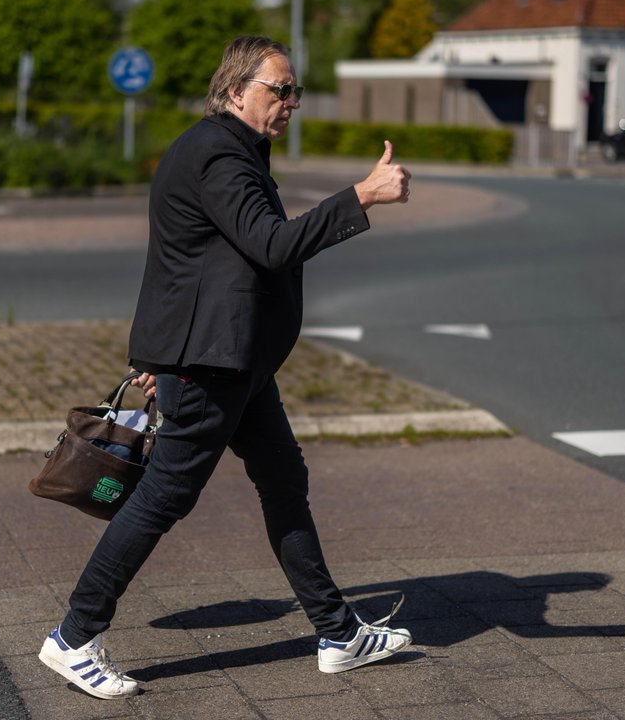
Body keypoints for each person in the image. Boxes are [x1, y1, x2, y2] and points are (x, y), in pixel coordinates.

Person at [39, 35, 414, 698]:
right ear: (237, 91)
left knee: (283, 480)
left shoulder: (228, 149)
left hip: (235, 359)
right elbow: (271, 246)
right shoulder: (218, 154)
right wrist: (361, 196)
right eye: (280, 89)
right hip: (212, 364)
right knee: (163, 497)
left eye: (295, 91)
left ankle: (338, 633)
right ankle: (73, 637)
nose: (291, 102)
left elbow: (193, 259)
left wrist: (158, 354)